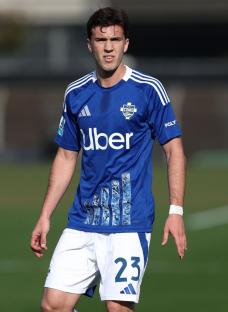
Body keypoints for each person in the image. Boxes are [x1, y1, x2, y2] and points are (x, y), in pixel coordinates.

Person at [30, 7, 187, 312]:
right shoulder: (76, 93)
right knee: (53, 305)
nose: (109, 47)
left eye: (115, 39)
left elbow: (174, 149)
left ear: (126, 43)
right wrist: (45, 214)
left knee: (117, 308)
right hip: (83, 220)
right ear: (90, 44)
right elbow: (65, 155)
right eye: (101, 40)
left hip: (130, 222)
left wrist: (176, 210)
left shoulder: (148, 90)